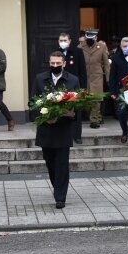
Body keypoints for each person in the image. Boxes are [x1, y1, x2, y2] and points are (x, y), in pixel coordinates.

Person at [33, 52, 80, 209]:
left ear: (64, 63)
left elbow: (79, 105)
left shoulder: (73, 80)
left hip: (63, 129)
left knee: (62, 164)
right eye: (52, 63)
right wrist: (44, 116)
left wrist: (71, 113)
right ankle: (57, 187)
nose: (54, 66)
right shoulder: (40, 79)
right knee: (50, 163)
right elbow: (32, 103)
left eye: (57, 63)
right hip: (46, 128)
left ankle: (60, 197)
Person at [57, 32, 87, 144]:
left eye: (65, 40)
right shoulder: (56, 53)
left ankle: (77, 135)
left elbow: (82, 71)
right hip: (60, 86)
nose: (63, 42)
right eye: (61, 40)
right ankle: (63, 134)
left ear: (69, 41)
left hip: (74, 86)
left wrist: (83, 88)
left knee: (76, 111)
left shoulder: (77, 52)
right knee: (60, 110)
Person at [80, 29, 109, 129]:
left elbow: (106, 63)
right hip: (84, 76)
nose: (89, 40)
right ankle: (95, 116)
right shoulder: (80, 47)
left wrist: (108, 78)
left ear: (95, 38)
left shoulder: (101, 47)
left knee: (96, 99)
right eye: (88, 38)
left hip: (97, 76)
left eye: (91, 38)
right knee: (86, 99)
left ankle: (94, 120)